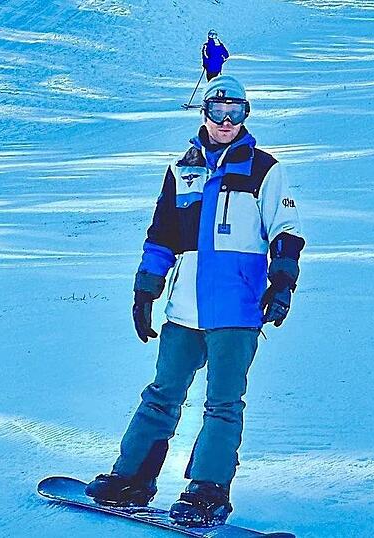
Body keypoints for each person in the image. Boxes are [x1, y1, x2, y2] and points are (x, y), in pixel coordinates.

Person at [85, 75, 304, 527]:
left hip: (237, 309)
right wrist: (147, 288)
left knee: (223, 403)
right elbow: (162, 235)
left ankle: (207, 491)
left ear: (246, 115)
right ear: (204, 113)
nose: (226, 122)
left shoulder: (264, 168)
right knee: (162, 395)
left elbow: (286, 232)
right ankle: (132, 480)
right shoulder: (181, 170)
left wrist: (281, 283)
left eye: (236, 113)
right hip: (184, 309)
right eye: (218, 112)